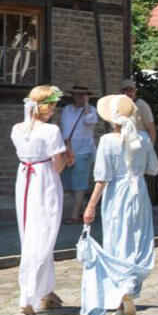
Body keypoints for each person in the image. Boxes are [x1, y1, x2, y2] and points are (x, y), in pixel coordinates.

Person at [80, 94, 158, 315]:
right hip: (139, 194)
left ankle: (120, 294)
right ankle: (129, 288)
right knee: (138, 240)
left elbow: (102, 178)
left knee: (117, 241)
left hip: (117, 195)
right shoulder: (143, 138)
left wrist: (91, 205)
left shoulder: (107, 141)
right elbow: (154, 168)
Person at [11, 85, 70, 315]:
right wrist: (67, 156)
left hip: (25, 180)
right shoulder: (51, 131)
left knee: (29, 233)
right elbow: (57, 165)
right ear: (47, 107)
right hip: (44, 180)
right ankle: (28, 293)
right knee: (44, 234)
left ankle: (45, 292)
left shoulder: (16, 129)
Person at [60, 85, 99, 224]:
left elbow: (90, 120)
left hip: (83, 151)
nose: (80, 97)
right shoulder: (66, 109)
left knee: (79, 184)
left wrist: (87, 104)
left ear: (87, 96)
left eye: (83, 95)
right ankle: (82, 208)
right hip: (67, 151)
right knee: (69, 183)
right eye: (77, 94)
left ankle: (75, 215)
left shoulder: (91, 110)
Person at [120, 79, 156, 145]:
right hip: (123, 142)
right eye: (126, 90)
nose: (128, 93)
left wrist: (150, 147)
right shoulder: (118, 105)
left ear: (135, 91)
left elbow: (151, 128)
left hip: (140, 142)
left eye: (131, 90)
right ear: (121, 92)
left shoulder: (142, 106)